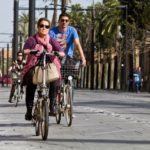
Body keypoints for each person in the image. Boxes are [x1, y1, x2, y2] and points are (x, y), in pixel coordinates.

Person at [22, 18, 65, 120]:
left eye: (46, 26)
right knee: (31, 79)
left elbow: (61, 51)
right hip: (35, 66)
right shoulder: (32, 39)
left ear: (49, 28)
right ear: (38, 27)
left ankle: (52, 107)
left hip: (49, 66)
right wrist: (31, 51)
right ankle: (29, 110)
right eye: (41, 26)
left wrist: (59, 53)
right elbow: (25, 50)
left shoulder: (51, 40)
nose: (44, 28)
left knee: (55, 79)